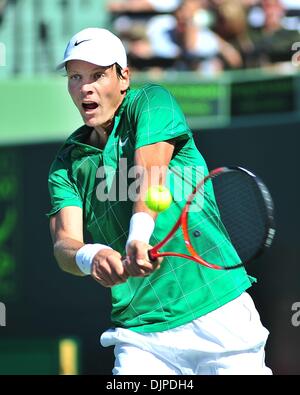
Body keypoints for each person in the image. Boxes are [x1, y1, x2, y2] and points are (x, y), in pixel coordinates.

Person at [48, 27, 272, 375]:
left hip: (218, 313)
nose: (85, 87)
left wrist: (138, 236)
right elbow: (64, 243)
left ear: (124, 78)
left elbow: (150, 170)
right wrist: (90, 256)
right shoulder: (67, 163)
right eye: (75, 77)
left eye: (97, 75)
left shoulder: (152, 101)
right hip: (140, 335)